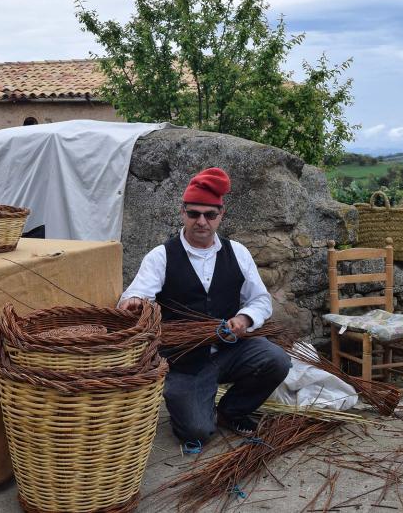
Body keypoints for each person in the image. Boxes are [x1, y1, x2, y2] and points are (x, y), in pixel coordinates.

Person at [118, 167, 290, 446]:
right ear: (182, 212)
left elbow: (260, 299)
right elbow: (137, 294)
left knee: (276, 360)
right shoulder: (161, 256)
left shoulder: (238, 252)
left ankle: (232, 410)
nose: (201, 221)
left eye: (210, 214)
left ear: (221, 215)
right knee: (196, 432)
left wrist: (244, 320)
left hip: (230, 350)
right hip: (185, 362)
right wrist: (134, 302)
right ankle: (194, 407)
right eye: (194, 213)